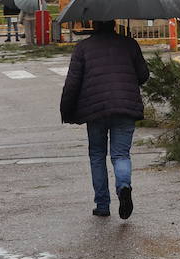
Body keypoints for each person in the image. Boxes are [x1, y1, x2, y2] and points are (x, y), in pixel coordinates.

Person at [59, 20, 150, 219]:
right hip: (125, 107)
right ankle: (124, 186)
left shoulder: (83, 48)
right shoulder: (129, 44)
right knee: (121, 155)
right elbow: (143, 75)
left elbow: (72, 83)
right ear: (114, 24)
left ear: (94, 25)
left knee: (97, 155)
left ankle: (102, 205)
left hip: (95, 110)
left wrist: (66, 111)